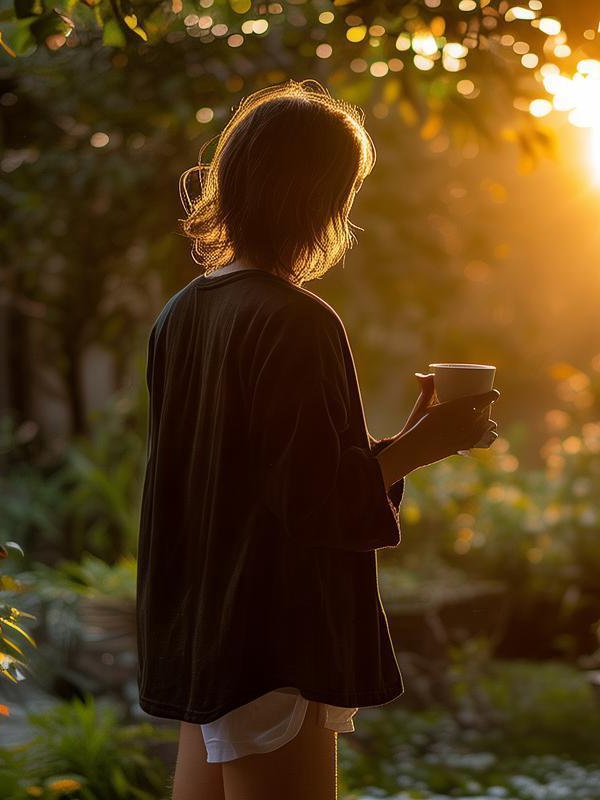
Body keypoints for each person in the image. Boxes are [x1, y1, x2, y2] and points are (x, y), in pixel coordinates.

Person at [135, 79, 500, 799]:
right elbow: (315, 504)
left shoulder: (182, 314)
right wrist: (430, 445)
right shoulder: (295, 319)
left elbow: (264, 477)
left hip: (206, 635)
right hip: (275, 638)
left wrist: (403, 440)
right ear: (320, 198)